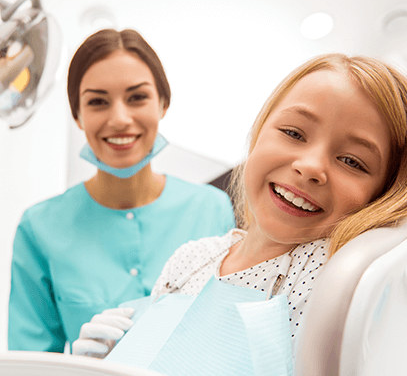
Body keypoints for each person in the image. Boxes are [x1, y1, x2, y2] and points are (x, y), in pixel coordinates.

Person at [72, 53, 407, 365]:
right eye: (293, 132)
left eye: (352, 161)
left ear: (383, 194)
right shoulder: (191, 258)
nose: (310, 167)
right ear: (258, 133)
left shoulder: (329, 274)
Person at [8, 29, 235, 353]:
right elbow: (28, 363)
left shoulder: (212, 209)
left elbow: (232, 337)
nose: (119, 119)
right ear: (77, 115)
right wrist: (76, 368)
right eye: (98, 101)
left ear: (163, 103)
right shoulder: (39, 228)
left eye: (137, 97)